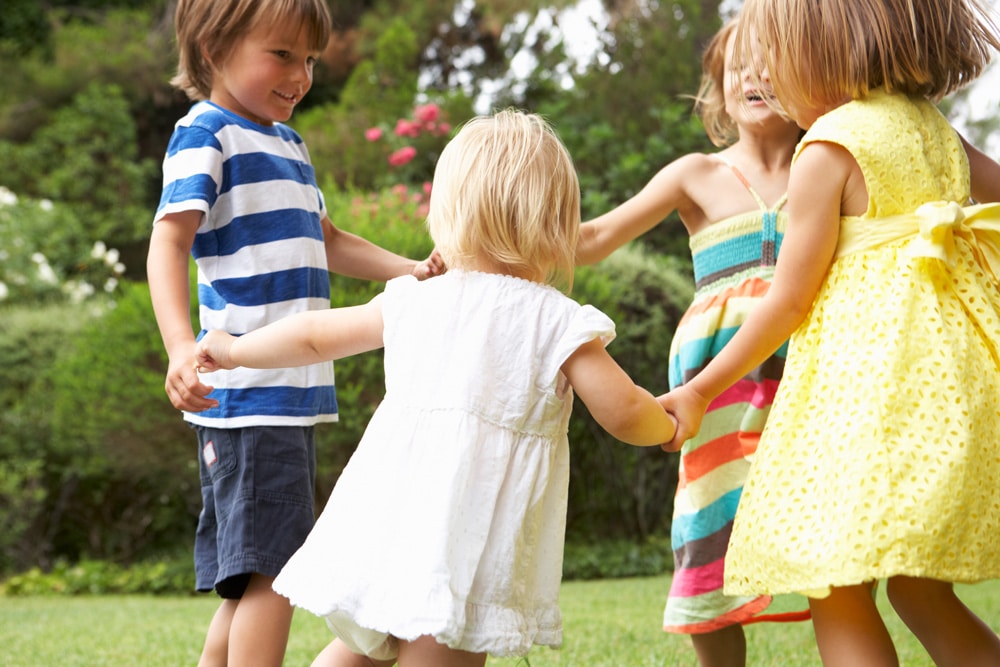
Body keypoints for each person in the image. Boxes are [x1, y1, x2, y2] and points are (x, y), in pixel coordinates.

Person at [194, 109, 679, 667]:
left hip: (392, 516)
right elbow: (621, 411)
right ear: (557, 224)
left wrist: (233, 349)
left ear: (448, 212)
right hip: (462, 539)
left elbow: (312, 338)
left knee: (369, 646)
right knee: (442, 645)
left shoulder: (415, 299)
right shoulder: (555, 321)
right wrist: (666, 423)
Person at [662, 0, 1000, 665]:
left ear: (824, 51)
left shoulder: (828, 148)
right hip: (946, 391)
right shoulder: (933, 130)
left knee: (839, 588)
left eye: (777, 55)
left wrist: (700, 389)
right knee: (917, 588)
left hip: (866, 400)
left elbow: (786, 301)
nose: (769, 76)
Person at [146, 1, 443, 665]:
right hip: (252, 392)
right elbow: (168, 242)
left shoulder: (286, 142)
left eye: (308, 59)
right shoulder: (208, 132)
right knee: (277, 572)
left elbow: (328, 240)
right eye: (281, 54)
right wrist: (176, 349)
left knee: (252, 574)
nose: (301, 75)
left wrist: (414, 273)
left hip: (282, 397)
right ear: (215, 47)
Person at [576, 16, 809, 667]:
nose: (754, 76)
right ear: (717, 91)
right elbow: (593, 239)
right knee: (708, 526)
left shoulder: (829, 167)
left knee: (829, 526)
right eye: (739, 67)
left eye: (772, 61)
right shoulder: (695, 174)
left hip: (811, 375)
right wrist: (491, 237)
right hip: (719, 387)